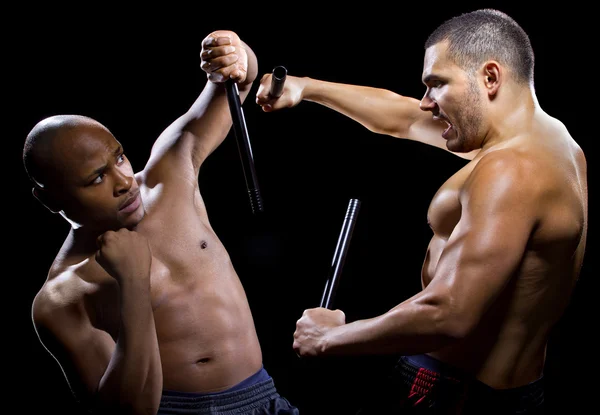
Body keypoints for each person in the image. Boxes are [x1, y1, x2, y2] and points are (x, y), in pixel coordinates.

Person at [254, 8, 587, 415]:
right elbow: (404, 117)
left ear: (490, 77)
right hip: (494, 389)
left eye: (437, 85)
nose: (427, 102)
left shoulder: (512, 169)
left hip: (456, 395)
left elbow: (449, 313)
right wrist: (306, 87)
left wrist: (329, 338)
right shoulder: (550, 142)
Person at [24, 29, 299, 415]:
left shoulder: (166, 178)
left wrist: (234, 53)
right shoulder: (61, 298)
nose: (124, 182)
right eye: (96, 178)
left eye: (119, 158)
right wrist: (133, 283)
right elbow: (128, 412)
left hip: (262, 397)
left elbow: (236, 84)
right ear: (51, 200)